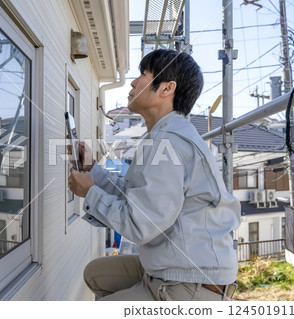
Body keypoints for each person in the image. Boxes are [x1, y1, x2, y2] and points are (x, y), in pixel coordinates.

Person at [68, 49, 241, 301]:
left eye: (143, 74)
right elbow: (137, 198)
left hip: (191, 282)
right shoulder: (164, 136)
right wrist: (92, 169)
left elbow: (142, 225)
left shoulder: (168, 142)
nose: (133, 82)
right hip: (177, 265)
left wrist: (89, 192)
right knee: (96, 273)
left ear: (166, 89)